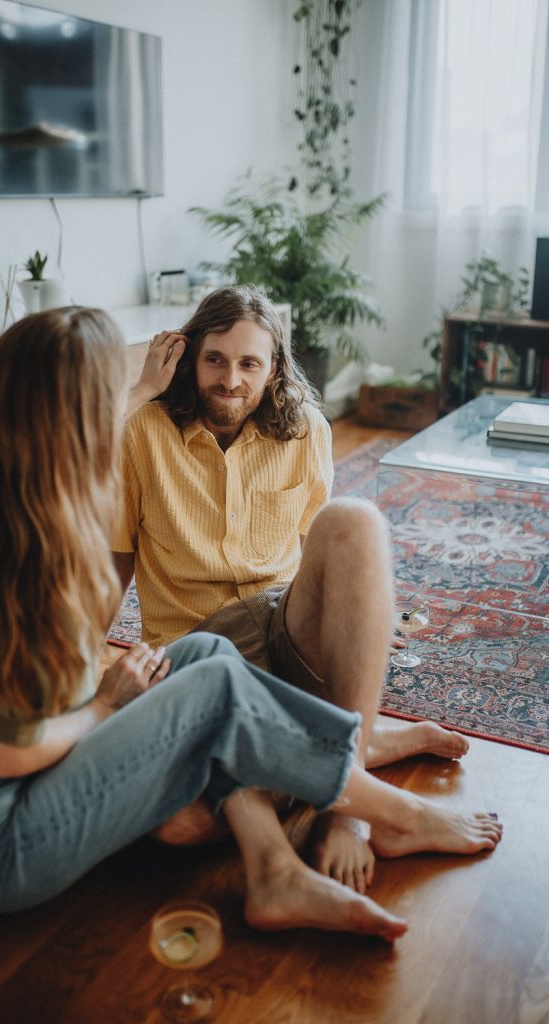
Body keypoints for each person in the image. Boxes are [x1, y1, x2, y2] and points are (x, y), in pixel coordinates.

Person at [0, 306, 501, 939]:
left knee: (205, 659)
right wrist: (107, 707)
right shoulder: (19, 549)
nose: (123, 408)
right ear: (75, 417)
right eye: (111, 392)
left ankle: (275, 870)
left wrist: (138, 390)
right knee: (210, 687)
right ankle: (392, 811)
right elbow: (10, 750)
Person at [113, 285, 471, 892]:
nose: (231, 381)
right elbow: (114, 564)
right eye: (215, 360)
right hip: (195, 656)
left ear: (273, 367)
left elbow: (327, 567)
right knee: (180, 826)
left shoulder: (305, 429)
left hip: (280, 628)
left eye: (249, 363)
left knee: (356, 521)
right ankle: (350, 745)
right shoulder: (141, 431)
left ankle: (343, 805)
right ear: (188, 356)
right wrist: (86, 676)